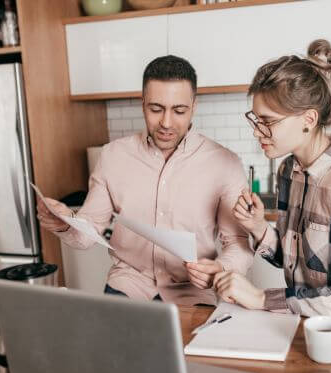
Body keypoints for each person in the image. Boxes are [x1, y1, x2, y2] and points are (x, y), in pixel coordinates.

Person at [37, 55, 253, 305]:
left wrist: (220, 268)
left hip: (193, 291)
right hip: (127, 285)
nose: (166, 123)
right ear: (142, 104)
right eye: (156, 109)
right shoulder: (113, 155)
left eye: (179, 110)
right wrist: (64, 223)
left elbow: (238, 243)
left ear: (194, 106)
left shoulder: (225, 163)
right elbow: (87, 233)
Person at [213, 39, 331, 318]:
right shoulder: (289, 171)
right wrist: (258, 228)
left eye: (268, 121)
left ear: (308, 119)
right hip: (307, 325)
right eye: (255, 119)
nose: (257, 131)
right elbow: (296, 261)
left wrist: (263, 298)